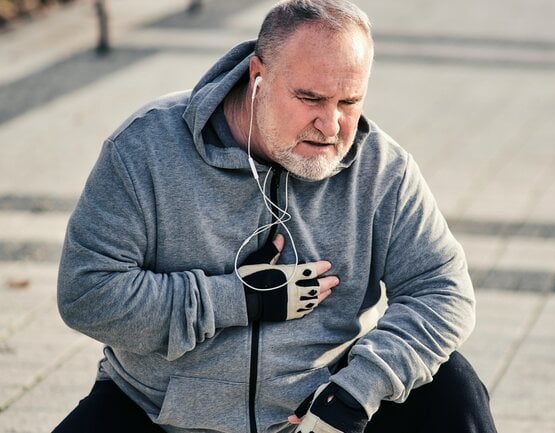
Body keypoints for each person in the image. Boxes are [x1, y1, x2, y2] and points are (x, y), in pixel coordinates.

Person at [54, 0, 497, 432]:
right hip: (158, 411)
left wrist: (353, 395)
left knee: (453, 386)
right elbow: (87, 293)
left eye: (349, 101)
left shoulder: (381, 169)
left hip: (319, 412)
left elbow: (443, 292)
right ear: (257, 77)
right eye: (310, 98)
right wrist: (240, 299)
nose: (331, 125)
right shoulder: (146, 148)